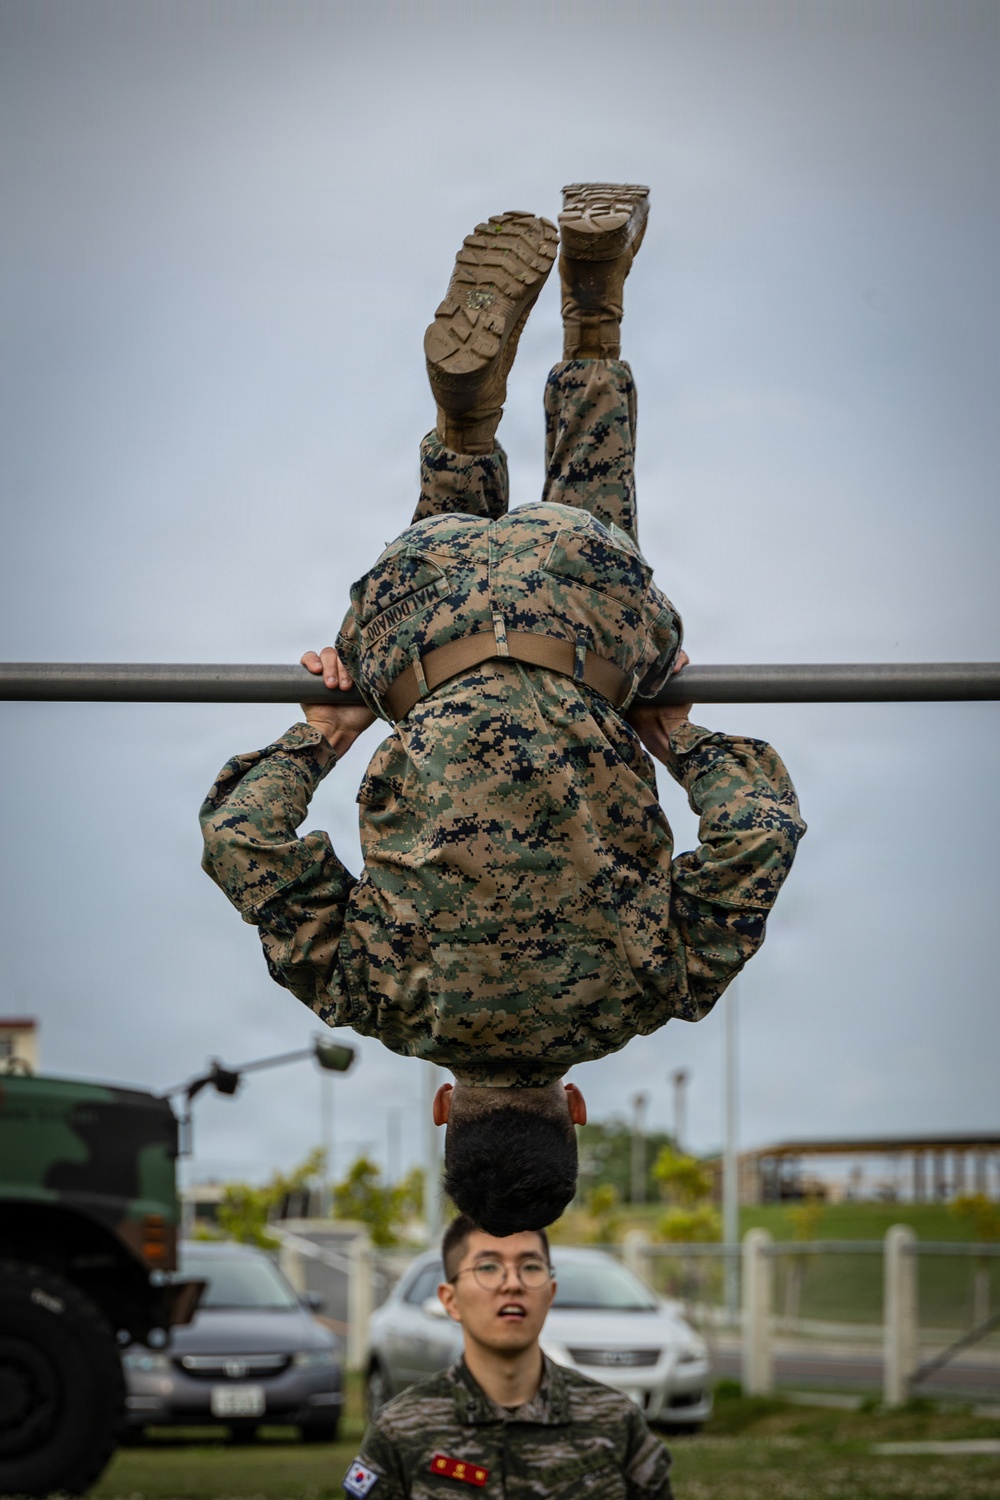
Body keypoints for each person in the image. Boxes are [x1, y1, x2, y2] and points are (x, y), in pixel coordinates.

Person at [201, 185, 805, 1233]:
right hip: (413, 624)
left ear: (574, 1111)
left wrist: (680, 740)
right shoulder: (368, 995)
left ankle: (594, 306)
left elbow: (763, 831)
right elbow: (238, 836)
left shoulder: (650, 989)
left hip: (583, 614)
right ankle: (462, 427)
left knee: (586, 545)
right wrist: (322, 735)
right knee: (436, 594)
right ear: (444, 1112)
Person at [342, 1214, 673, 1499]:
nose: (513, 1284)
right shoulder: (400, 1431)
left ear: (550, 1294)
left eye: (531, 1267)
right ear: (450, 1300)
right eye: (488, 1267)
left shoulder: (616, 1421)